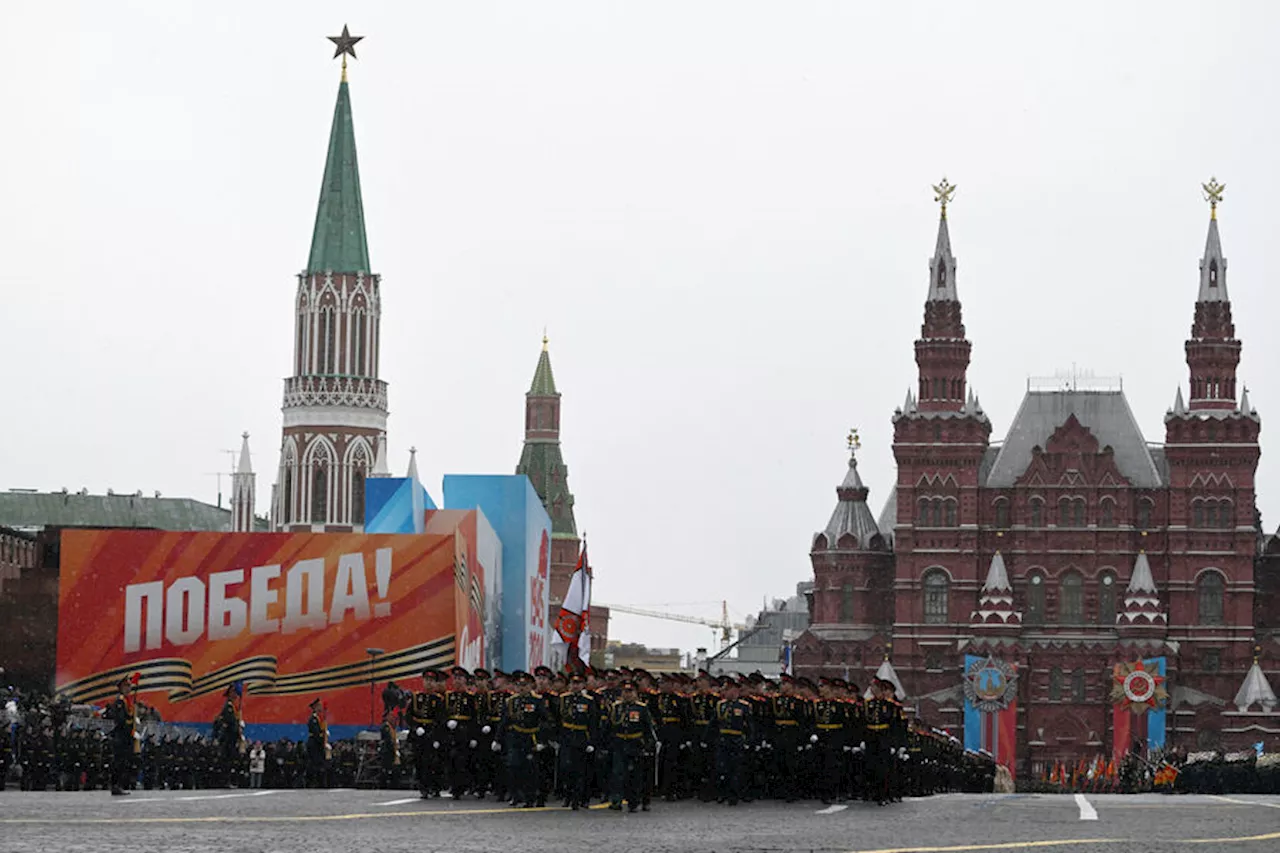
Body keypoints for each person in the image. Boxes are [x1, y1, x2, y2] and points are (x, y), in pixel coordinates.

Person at [608, 679, 656, 812]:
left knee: (635, 775)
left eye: (630, 691)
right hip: (619, 744)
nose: (627, 694)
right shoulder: (616, 707)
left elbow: (648, 728)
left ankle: (633, 802)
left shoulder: (641, 708)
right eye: (625, 691)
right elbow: (609, 727)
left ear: (635, 693)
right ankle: (616, 800)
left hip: (635, 744)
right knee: (617, 773)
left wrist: (648, 745)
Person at [104, 673, 140, 796]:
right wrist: (128, 728)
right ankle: (115, 785)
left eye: (130, 686)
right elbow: (120, 719)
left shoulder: (126, 700)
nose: (129, 689)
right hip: (121, 735)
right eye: (127, 686)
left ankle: (119, 785)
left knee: (124, 762)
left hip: (126, 735)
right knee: (119, 762)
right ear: (122, 687)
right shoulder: (120, 701)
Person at [305, 699, 328, 788]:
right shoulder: (313, 719)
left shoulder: (318, 718)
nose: (320, 707)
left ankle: (319, 782)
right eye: (318, 706)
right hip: (314, 743)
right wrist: (322, 738)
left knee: (319, 763)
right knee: (315, 764)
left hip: (317, 743)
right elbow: (316, 732)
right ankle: (313, 783)